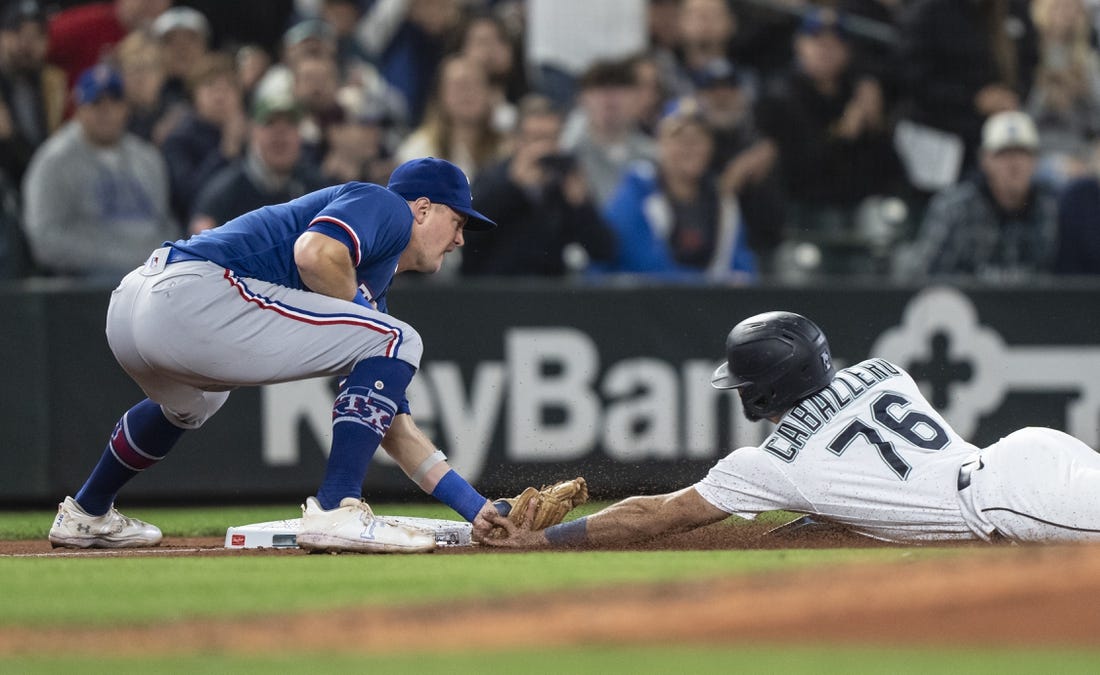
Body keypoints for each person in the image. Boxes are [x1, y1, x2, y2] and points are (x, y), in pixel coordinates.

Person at [47, 156, 503, 553]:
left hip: (135, 305)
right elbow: (314, 253)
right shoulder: (386, 207)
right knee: (399, 338)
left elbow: (393, 429)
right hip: (190, 294)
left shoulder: (370, 289)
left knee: (195, 402)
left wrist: (476, 508)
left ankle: (87, 512)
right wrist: (365, 312)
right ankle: (334, 508)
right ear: (422, 209)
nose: (460, 238)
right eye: (458, 221)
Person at [483, 310, 1100, 549]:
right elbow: (861, 499)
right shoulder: (885, 373)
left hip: (1008, 501)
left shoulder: (772, 464)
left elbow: (656, 513)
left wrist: (549, 540)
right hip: (1029, 453)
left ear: (759, 393)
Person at [22, 64, 176, 278]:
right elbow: (44, 239)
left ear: (126, 108)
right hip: (84, 284)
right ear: (79, 108)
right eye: (96, 103)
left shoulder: (147, 157)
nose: (106, 111)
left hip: (151, 275)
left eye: (114, 101)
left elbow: (165, 223)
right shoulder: (53, 161)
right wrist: (126, 258)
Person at [461, 94, 617, 277]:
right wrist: (512, 187)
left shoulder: (564, 181)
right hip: (496, 290)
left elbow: (604, 249)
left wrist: (581, 205)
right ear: (517, 140)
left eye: (551, 138)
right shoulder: (492, 177)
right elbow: (467, 235)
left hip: (549, 294)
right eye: (535, 138)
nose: (543, 148)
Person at [896, 110, 1060, 281]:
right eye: (1003, 154)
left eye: (1022, 153)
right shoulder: (955, 207)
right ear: (985, 160)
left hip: (1031, 306)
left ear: (1036, 160)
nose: (1014, 164)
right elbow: (920, 273)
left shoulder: (1050, 207)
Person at [601, 110, 757, 281]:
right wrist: (715, 285)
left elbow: (741, 265)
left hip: (708, 303)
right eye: (679, 139)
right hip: (634, 304)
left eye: (699, 139)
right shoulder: (635, 192)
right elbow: (647, 269)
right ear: (659, 144)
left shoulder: (722, 201)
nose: (690, 147)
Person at [188, 93, 326, 234]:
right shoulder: (224, 193)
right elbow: (199, 242)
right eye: (270, 123)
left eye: (289, 124)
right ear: (253, 133)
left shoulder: (316, 188)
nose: (280, 133)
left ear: (299, 135)